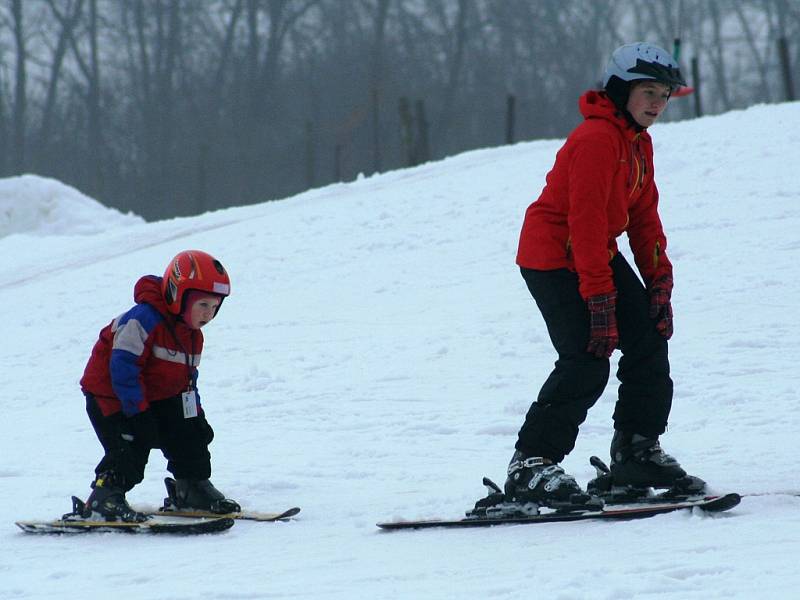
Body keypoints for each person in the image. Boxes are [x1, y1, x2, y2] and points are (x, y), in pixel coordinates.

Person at [506, 42, 693, 505]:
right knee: (587, 356)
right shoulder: (595, 140)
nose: (656, 103)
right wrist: (599, 298)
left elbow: (644, 216)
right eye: (647, 91)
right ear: (620, 91)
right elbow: (583, 220)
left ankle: (635, 450)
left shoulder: (636, 143)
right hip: (554, 255)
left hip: (592, 253)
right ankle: (531, 464)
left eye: (664, 95)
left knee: (648, 337)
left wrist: (658, 283)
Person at [79, 249, 240, 521]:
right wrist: (138, 413)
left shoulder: (193, 336)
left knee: (190, 434)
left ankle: (191, 487)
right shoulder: (142, 319)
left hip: (155, 396)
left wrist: (196, 415)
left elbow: (187, 381)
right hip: (113, 397)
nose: (208, 314)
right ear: (178, 294)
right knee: (131, 443)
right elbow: (123, 369)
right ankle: (104, 497)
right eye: (202, 305)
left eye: (215, 307)